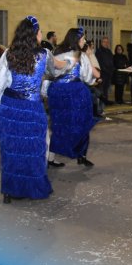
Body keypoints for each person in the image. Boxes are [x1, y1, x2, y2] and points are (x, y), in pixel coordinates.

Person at [0, 16, 53, 204]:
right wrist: (44, 92)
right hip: (32, 108)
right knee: (33, 148)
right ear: (34, 34)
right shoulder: (45, 55)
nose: (41, 34)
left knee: (11, 149)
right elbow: (48, 77)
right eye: (40, 31)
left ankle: (10, 191)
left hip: (11, 106)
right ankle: (30, 188)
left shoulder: (9, 54)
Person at [46, 27, 99, 167]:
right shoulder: (80, 56)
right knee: (82, 124)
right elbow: (87, 77)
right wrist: (95, 80)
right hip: (75, 94)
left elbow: (49, 73)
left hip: (57, 93)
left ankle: (50, 159)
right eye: (83, 39)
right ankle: (81, 155)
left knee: (58, 125)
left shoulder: (56, 52)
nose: (85, 41)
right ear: (77, 40)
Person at [95, 36, 115, 105]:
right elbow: (99, 63)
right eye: (104, 42)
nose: (106, 43)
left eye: (107, 42)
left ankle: (105, 101)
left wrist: (112, 70)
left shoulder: (109, 51)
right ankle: (101, 104)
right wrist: (105, 70)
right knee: (101, 89)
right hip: (102, 73)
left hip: (109, 73)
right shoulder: (99, 51)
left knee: (106, 88)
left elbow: (112, 60)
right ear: (101, 42)